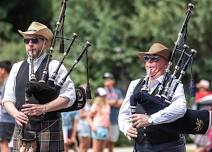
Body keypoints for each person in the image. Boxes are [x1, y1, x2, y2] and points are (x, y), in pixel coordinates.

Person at [1, 21, 76, 152]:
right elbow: (7, 99)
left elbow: (70, 96)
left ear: (45, 43)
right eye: (26, 40)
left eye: (34, 40)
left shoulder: (55, 66)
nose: (30, 44)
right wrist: (15, 114)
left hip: (49, 126)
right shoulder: (17, 67)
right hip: (22, 128)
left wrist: (43, 108)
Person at [118, 42, 187, 152]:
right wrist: (126, 128)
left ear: (166, 64)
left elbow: (180, 109)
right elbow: (124, 114)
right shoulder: (135, 84)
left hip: (168, 146)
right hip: (141, 146)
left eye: (154, 59)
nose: (149, 63)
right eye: (146, 58)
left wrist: (150, 119)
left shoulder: (174, 84)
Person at [103, 72, 124, 152]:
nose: (107, 81)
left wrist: (110, 102)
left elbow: (121, 103)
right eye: (105, 79)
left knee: (112, 141)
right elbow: (102, 103)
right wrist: (115, 102)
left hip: (114, 119)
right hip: (104, 121)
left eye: (109, 79)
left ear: (113, 81)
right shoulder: (102, 91)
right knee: (103, 141)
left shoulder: (117, 91)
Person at [87, 87, 111, 152]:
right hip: (97, 128)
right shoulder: (95, 105)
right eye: (103, 96)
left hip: (105, 128)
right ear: (98, 97)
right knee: (96, 149)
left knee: (102, 149)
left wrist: (109, 130)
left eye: (105, 95)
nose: (104, 97)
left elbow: (108, 118)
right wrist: (92, 126)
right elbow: (88, 117)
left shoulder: (107, 105)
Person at [0, 60, 15, 152]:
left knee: (4, 144)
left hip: (6, 120)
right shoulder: (10, 81)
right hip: (10, 120)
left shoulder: (7, 82)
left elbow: (8, 101)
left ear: (3, 70)